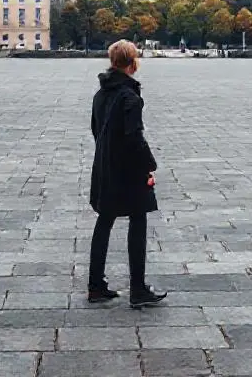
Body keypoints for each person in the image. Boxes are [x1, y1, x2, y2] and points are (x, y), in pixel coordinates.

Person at [87, 39, 166, 308]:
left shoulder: (101, 94)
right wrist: (149, 166)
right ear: (132, 63)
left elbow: (96, 130)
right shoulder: (130, 97)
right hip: (128, 170)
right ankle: (138, 289)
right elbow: (135, 138)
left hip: (105, 166)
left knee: (104, 221)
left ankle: (95, 285)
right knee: (138, 221)